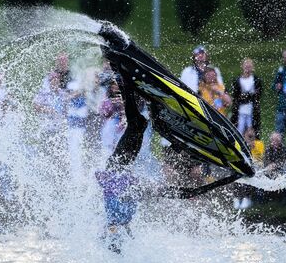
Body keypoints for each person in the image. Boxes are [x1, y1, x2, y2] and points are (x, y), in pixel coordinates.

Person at [97, 76, 241, 253]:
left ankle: (125, 81)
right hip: (125, 177)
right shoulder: (128, 208)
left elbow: (112, 193)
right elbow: (165, 192)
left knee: (137, 125)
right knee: (139, 124)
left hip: (116, 169)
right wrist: (196, 191)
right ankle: (135, 91)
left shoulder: (115, 214)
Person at [229, 58, 263, 137]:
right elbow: (236, 95)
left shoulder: (256, 80)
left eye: (249, 67)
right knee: (239, 129)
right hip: (240, 109)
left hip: (252, 109)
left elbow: (258, 94)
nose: (248, 69)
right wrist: (249, 95)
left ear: (253, 68)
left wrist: (246, 96)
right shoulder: (237, 80)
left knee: (251, 130)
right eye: (246, 66)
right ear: (242, 67)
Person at [234, 128, 264, 209]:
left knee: (249, 174)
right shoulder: (241, 144)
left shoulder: (259, 144)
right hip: (244, 166)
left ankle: (246, 198)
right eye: (248, 136)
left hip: (257, 166)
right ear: (244, 136)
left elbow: (261, 157)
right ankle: (237, 197)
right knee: (236, 173)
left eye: (252, 135)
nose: (250, 138)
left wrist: (253, 147)